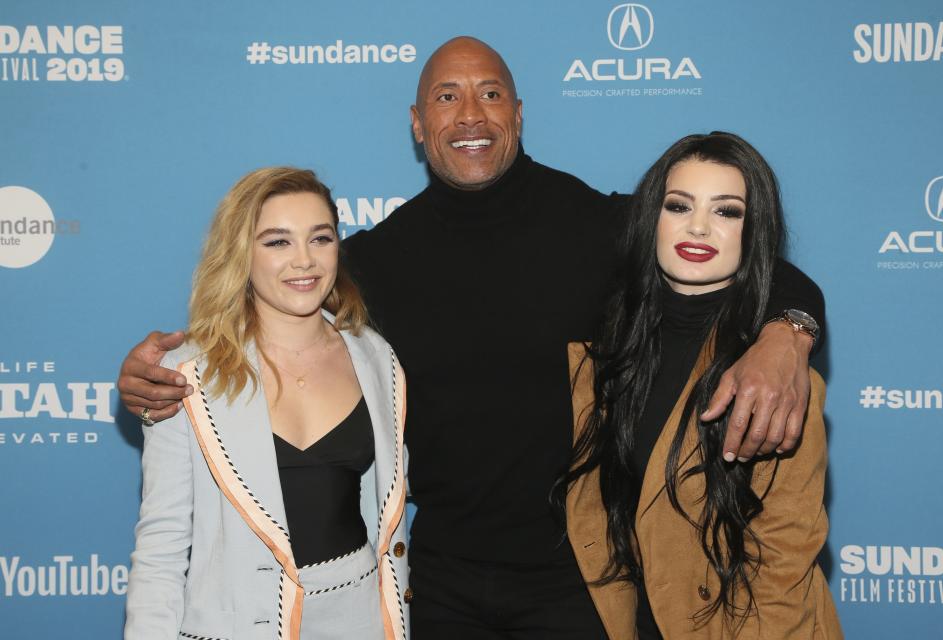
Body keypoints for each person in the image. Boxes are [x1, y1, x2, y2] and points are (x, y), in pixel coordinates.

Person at [119, 38, 824, 639]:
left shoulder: (595, 225)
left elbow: (748, 262)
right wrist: (164, 373)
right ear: (419, 125)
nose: (471, 113)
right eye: (447, 97)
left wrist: (788, 335)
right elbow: (264, 317)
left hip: (580, 577)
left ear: (518, 114)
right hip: (440, 581)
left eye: (490, 93)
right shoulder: (373, 261)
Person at [561, 132, 841, 638]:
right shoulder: (609, 351)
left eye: (727, 211)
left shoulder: (773, 377)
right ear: (652, 219)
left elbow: (783, 563)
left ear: (754, 231)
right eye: (678, 205)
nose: (698, 226)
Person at [124, 168, 409, 640]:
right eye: (278, 242)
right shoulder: (188, 372)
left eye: (320, 238)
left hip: (362, 619)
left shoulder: (375, 357)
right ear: (242, 254)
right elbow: (162, 546)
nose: (304, 261)